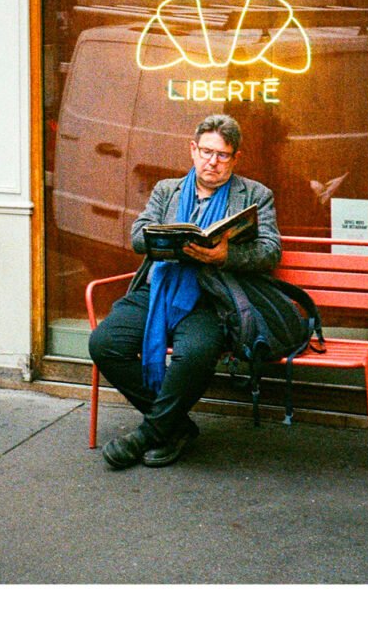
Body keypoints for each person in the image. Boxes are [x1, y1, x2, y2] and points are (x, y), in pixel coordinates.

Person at [88, 113, 281, 469]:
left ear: (235, 158)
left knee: (192, 355)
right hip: (159, 290)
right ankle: (175, 426)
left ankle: (148, 434)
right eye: (206, 151)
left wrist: (226, 255)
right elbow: (136, 236)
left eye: (223, 155)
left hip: (213, 300)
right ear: (193, 150)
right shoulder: (167, 190)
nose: (213, 161)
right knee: (104, 344)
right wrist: (166, 239)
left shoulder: (255, 195)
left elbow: (270, 251)